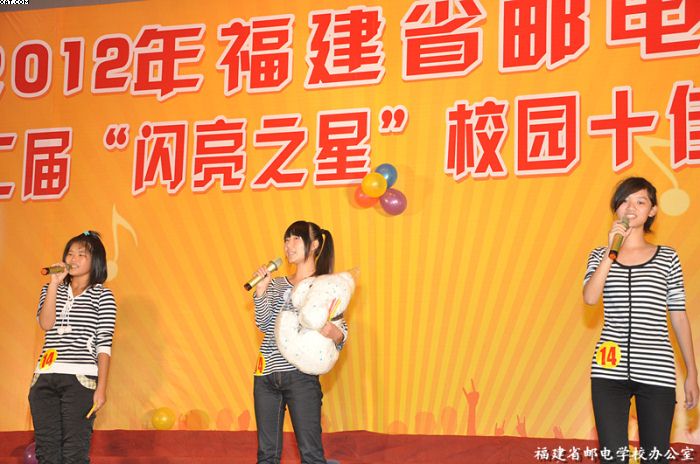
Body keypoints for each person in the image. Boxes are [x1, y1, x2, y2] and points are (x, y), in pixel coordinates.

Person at [583, 177, 698, 463]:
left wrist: (691, 373)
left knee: (655, 456)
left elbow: (679, 315)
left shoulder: (668, 258)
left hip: (656, 368)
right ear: (616, 208)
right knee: (613, 456)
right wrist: (610, 253)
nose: (631, 207)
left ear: (652, 210)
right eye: (624, 201)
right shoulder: (599, 255)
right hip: (608, 368)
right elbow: (590, 298)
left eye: (640, 201)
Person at [252, 220, 347, 464]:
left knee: (311, 454)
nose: (288, 245)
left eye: (295, 239)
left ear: (314, 245)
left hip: (301, 376)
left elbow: (341, 334)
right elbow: (263, 325)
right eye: (286, 240)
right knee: (267, 455)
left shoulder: (325, 286)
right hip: (266, 374)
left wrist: (333, 333)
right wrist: (261, 292)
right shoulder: (275, 284)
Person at [29, 231, 117, 464]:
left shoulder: (103, 296)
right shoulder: (50, 289)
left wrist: (101, 388)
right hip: (44, 377)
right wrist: (54, 284)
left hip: (80, 379)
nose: (73, 258)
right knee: (47, 452)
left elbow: (104, 344)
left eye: (81, 254)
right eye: (70, 253)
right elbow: (46, 324)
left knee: (74, 452)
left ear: (95, 260)